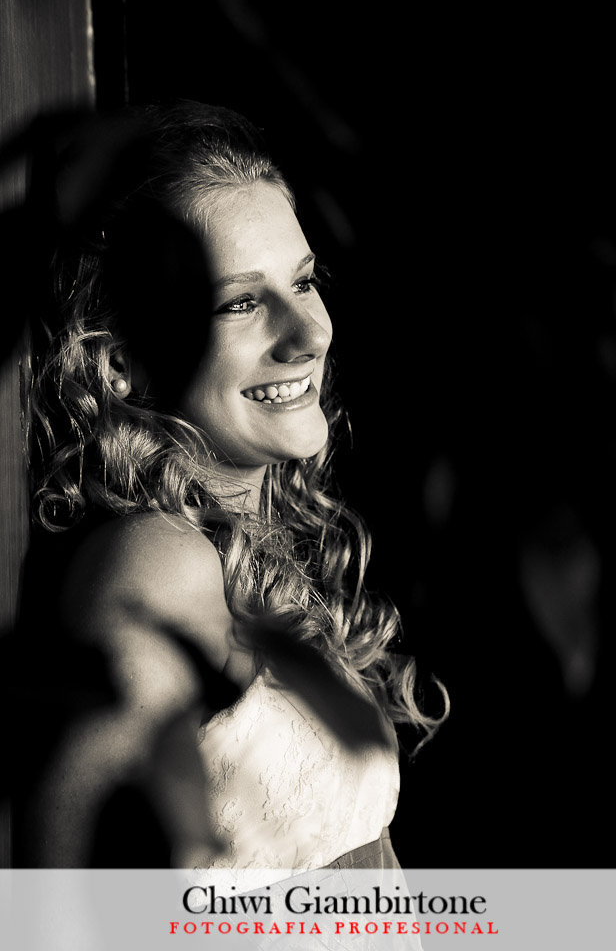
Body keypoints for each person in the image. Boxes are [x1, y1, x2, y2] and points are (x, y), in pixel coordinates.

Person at [16, 100, 445, 877]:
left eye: (303, 282)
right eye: (240, 302)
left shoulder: (251, 549)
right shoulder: (157, 563)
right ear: (123, 361)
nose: (308, 334)